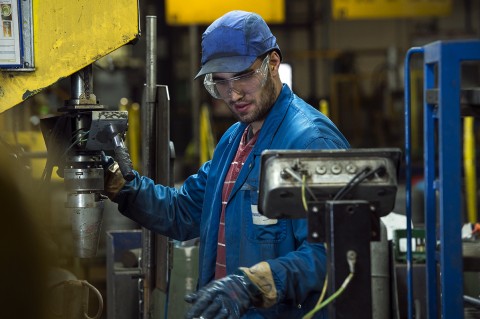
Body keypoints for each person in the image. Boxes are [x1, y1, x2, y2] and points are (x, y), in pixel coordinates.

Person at [105, 10, 349, 319]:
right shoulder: (233, 141)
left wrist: (254, 284)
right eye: (220, 82)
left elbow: (333, 254)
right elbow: (183, 212)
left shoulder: (310, 142)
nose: (232, 94)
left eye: (243, 76)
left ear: (272, 63)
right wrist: (118, 184)